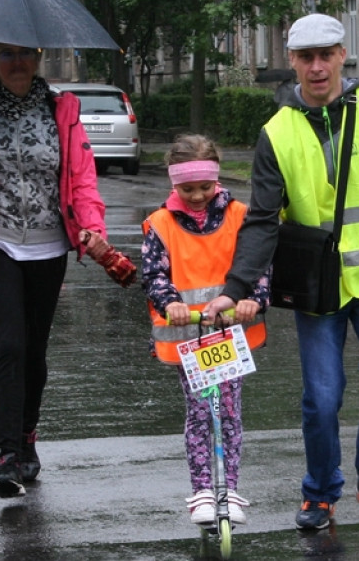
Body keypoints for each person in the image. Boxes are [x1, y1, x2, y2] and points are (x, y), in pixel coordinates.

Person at [204, 13, 359, 530]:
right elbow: (261, 221)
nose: (317, 67)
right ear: (293, 62)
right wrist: (235, 288)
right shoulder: (276, 133)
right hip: (316, 286)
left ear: (344, 56)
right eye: (306, 58)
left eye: (326, 55)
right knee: (322, 399)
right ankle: (319, 491)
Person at [0, 42, 133, 498]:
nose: (16, 63)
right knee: (9, 344)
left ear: (37, 58)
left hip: (50, 246)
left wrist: (92, 228)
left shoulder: (62, 110)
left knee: (34, 349)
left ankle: (28, 434)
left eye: (24, 54)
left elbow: (82, 177)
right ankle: (7, 457)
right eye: (5, 55)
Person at [140, 134, 271, 526]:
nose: (197, 196)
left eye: (204, 187)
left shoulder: (240, 215)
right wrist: (171, 304)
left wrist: (252, 299)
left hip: (231, 331)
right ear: (173, 184)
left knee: (227, 409)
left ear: (216, 181)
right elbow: (154, 275)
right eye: (187, 188)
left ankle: (228, 487)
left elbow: (258, 264)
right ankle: (201, 490)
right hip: (190, 336)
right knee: (201, 410)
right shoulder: (160, 223)